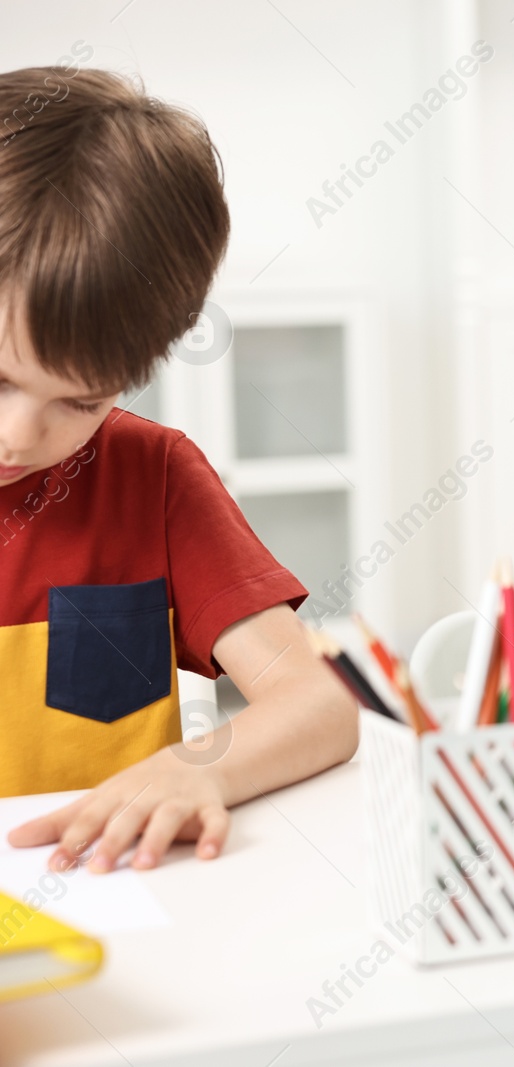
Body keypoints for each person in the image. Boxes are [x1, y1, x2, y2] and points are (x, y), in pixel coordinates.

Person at [0, 67, 356, 871]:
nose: (19, 436)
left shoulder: (153, 479)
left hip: (101, 902)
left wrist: (193, 769)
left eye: (81, 400)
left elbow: (321, 706)